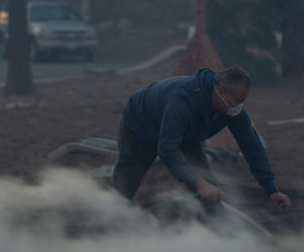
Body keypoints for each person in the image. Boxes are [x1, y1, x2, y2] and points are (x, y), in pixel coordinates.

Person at [112, 66, 292, 213]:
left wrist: (271, 189)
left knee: (210, 191)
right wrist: (198, 183)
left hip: (185, 135)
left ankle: (216, 235)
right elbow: (167, 148)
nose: (239, 106)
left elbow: (251, 146)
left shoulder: (232, 109)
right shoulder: (182, 100)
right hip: (141, 125)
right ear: (221, 91)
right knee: (127, 181)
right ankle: (111, 221)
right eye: (237, 100)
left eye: (242, 101)